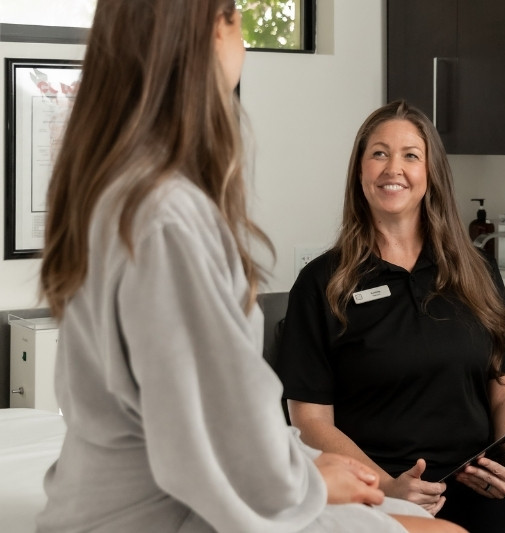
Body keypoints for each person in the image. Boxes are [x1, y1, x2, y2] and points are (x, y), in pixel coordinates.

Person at [36, 2, 466, 532]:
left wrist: (307, 468)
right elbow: (215, 438)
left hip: (115, 491)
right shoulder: (168, 217)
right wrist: (312, 481)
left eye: (410, 156)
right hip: (161, 511)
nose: (243, 45)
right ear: (210, 32)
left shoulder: (113, 192)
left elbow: (200, 414)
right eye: (236, 21)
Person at [276, 100, 505, 533]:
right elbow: (309, 419)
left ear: (430, 173)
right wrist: (385, 485)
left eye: (410, 155)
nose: (393, 169)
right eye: (379, 153)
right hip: (370, 490)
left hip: (473, 482)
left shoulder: (477, 270)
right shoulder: (322, 282)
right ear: (360, 171)